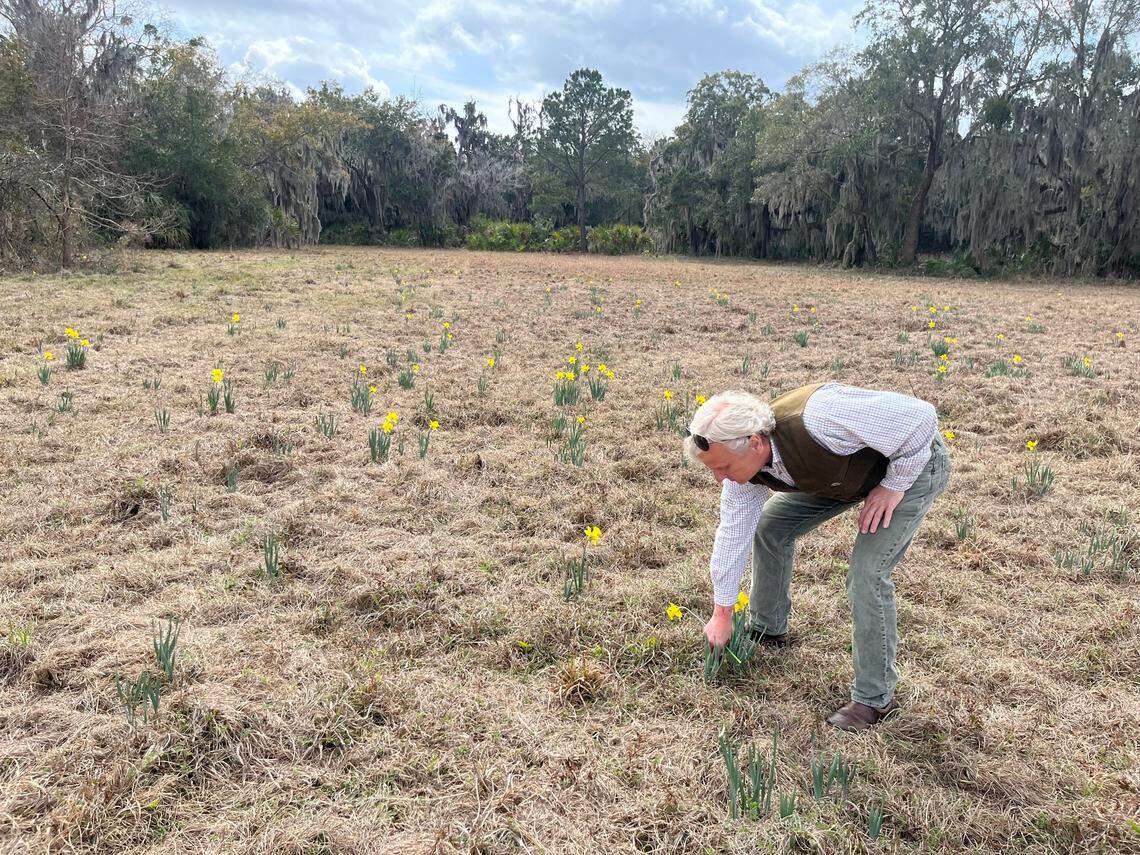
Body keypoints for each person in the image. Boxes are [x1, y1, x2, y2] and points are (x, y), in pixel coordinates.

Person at [684, 382, 950, 731]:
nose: (719, 478)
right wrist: (723, 612)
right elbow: (733, 534)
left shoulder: (821, 418)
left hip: (910, 467)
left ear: (754, 443)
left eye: (723, 467)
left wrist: (893, 485)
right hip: (839, 477)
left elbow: (921, 417)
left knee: (867, 574)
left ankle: (874, 699)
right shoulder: (743, 472)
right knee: (771, 527)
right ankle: (768, 629)